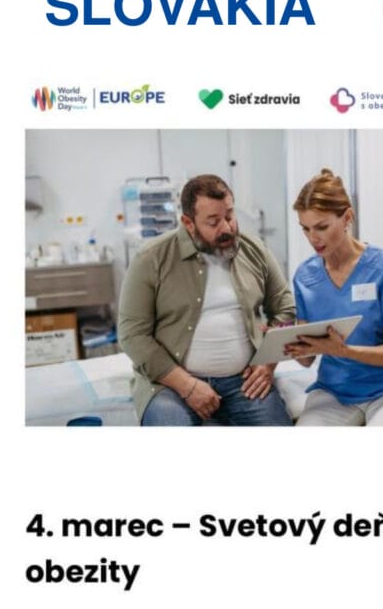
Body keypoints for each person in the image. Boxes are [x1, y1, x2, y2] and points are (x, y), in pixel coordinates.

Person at [119, 173, 295, 427]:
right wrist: (187, 385)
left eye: (230, 216)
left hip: (244, 383)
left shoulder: (254, 250)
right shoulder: (152, 259)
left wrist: (268, 362)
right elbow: (132, 334)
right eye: (213, 221)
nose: (226, 228)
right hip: (172, 386)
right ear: (188, 223)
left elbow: (285, 308)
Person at [283, 169, 383, 427]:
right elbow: (307, 358)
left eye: (322, 227)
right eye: (306, 229)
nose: (313, 238)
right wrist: (288, 343)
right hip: (335, 392)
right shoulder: (305, 276)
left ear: (347, 218)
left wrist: (344, 351)